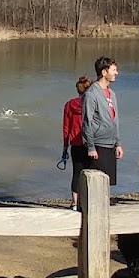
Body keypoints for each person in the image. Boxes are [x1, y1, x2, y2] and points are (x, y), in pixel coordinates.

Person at [77, 56, 124, 213]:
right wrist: (90, 146)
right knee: (97, 183)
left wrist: (118, 143)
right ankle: (91, 214)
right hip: (97, 144)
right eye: (114, 70)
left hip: (110, 144)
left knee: (108, 182)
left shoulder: (112, 94)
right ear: (104, 72)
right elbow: (86, 122)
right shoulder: (91, 94)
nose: (116, 73)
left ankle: (103, 213)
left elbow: (114, 120)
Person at [60, 75, 92, 208]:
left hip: (75, 143)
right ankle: (87, 201)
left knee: (76, 173)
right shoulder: (91, 103)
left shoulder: (69, 105)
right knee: (91, 173)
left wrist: (65, 146)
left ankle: (74, 203)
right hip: (90, 143)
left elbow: (66, 127)